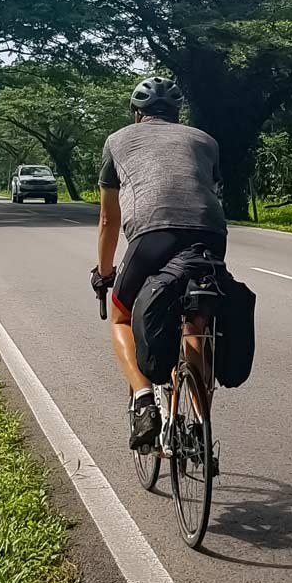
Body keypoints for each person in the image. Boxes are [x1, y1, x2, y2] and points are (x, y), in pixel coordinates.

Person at [92, 76, 227, 450]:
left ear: (137, 114)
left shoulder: (117, 141)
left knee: (121, 315)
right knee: (194, 322)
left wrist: (104, 274)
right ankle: (201, 424)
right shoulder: (205, 140)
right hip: (211, 235)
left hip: (152, 235)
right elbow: (208, 190)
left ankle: (144, 401)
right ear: (176, 113)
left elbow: (109, 219)